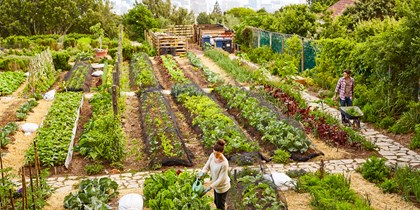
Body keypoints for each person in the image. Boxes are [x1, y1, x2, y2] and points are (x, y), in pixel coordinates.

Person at [198, 140, 230, 210]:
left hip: (222, 187)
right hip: (215, 185)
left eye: (217, 154)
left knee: (220, 206)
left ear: (222, 152)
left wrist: (211, 186)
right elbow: (207, 166)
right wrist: (202, 173)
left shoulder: (224, 163)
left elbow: (221, 179)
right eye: (214, 153)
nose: (215, 155)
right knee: (216, 202)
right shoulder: (212, 155)